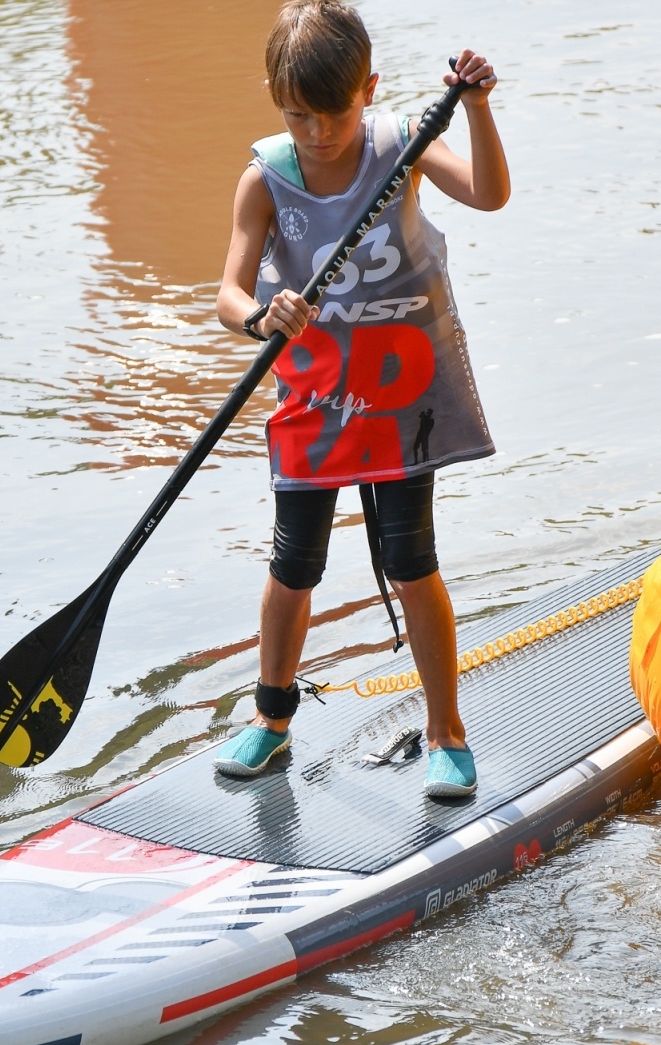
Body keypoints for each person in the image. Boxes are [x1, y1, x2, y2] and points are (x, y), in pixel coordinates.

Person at [212, 0, 509, 797]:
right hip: (316, 398)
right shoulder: (265, 178)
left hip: (403, 394)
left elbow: (488, 194)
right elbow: (229, 293)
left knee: (412, 561)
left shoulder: (402, 146)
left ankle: (447, 731)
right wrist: (259, 318)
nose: (316, 133)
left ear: (368, 89)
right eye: (296, 115)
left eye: (333, 113)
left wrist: (476, 112)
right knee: (293, 563)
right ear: (277, 100)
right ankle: (272, 720)